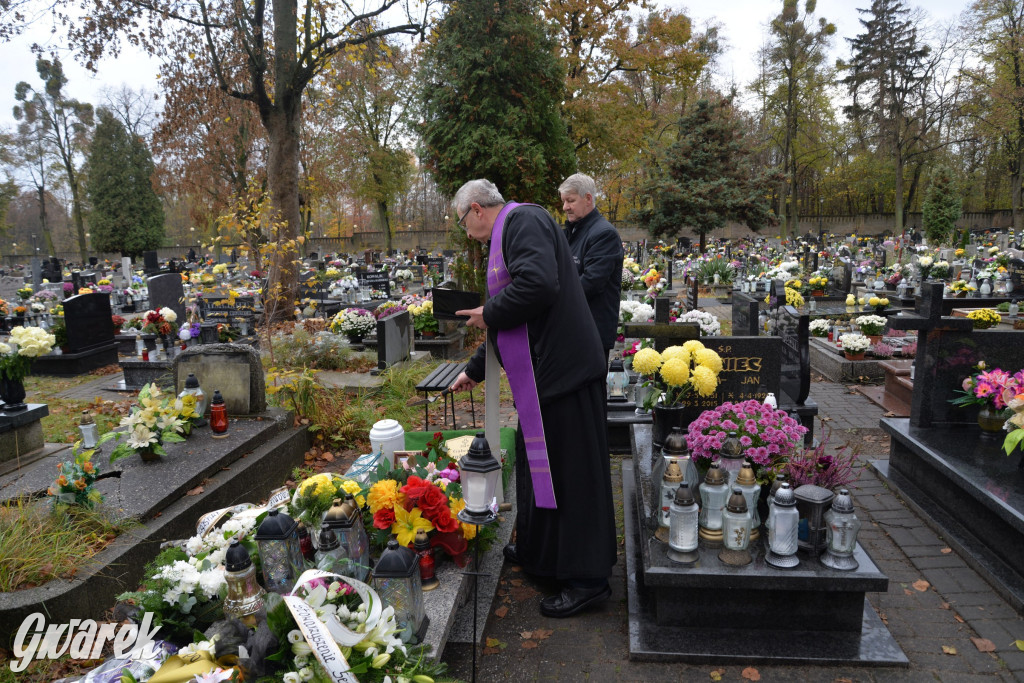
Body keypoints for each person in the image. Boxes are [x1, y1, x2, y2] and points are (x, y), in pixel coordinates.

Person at [448, 179, 617, 618]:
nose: (465, 232)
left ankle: (587, 579)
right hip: (549, 372)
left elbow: (538, 286)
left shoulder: (523, 220)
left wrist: (487, 313)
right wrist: (474, 368)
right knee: (538, 463)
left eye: (463, 221)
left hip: (568, 371)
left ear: (478, 209)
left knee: (573, 474)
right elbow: (513, 314)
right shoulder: (512, 229)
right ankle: (542, 555)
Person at [559, 174, 623, 355]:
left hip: (591, 333)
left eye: (570, 201)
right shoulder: (572, 232)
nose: (565, 207)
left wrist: (551, 296)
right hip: (572, 330)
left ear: (588, 198)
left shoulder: (604, 234)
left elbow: (590, 282)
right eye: (564, 201)